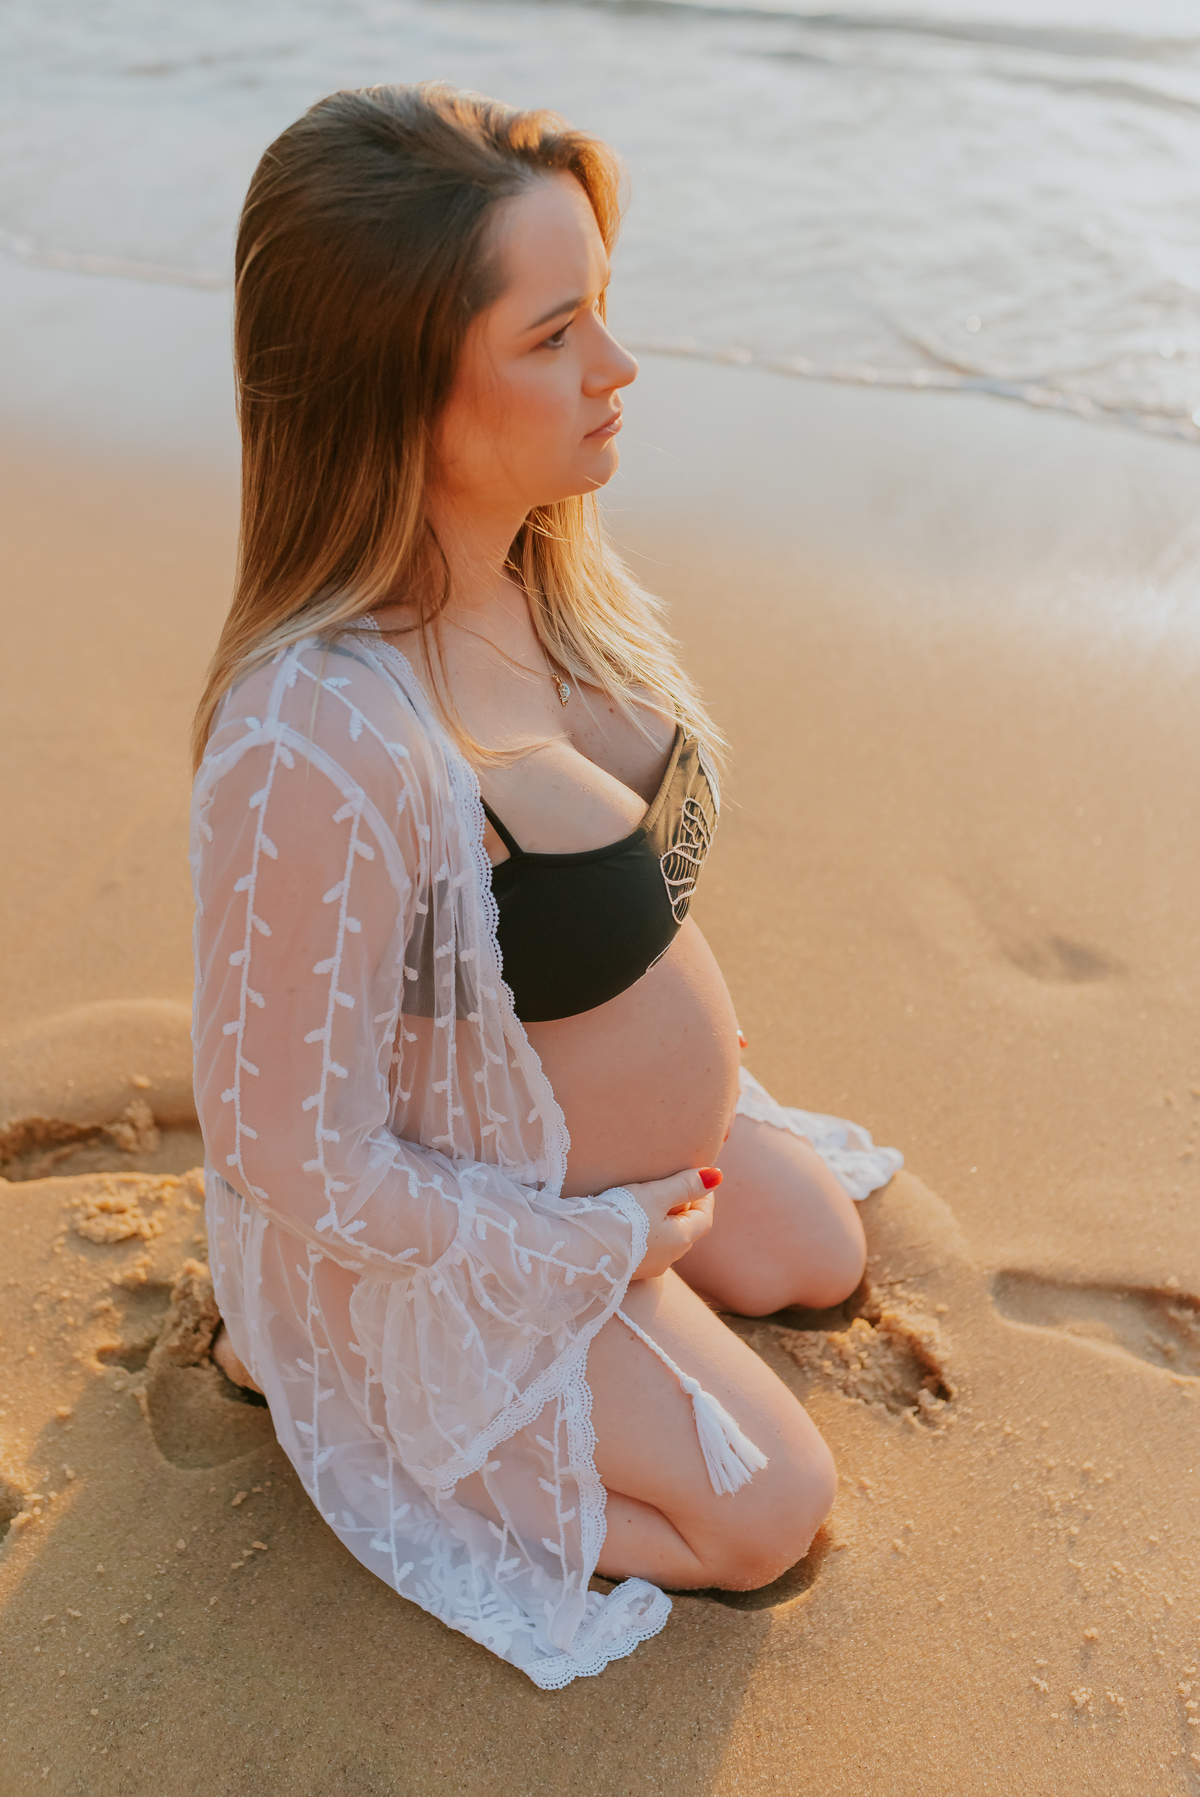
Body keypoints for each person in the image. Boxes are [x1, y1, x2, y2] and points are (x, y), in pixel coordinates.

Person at [191, 81, 901, 1688]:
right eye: (555, 331)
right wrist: (571, 1252)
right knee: (766, 1509)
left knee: (812, 1256)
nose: (618, 368)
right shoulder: (310, 734)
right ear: (399, 389)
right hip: (452, 1229)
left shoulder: (531, 565)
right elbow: (286, 1149)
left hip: (579, 1154)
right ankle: (305, 1384)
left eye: (606, 310)